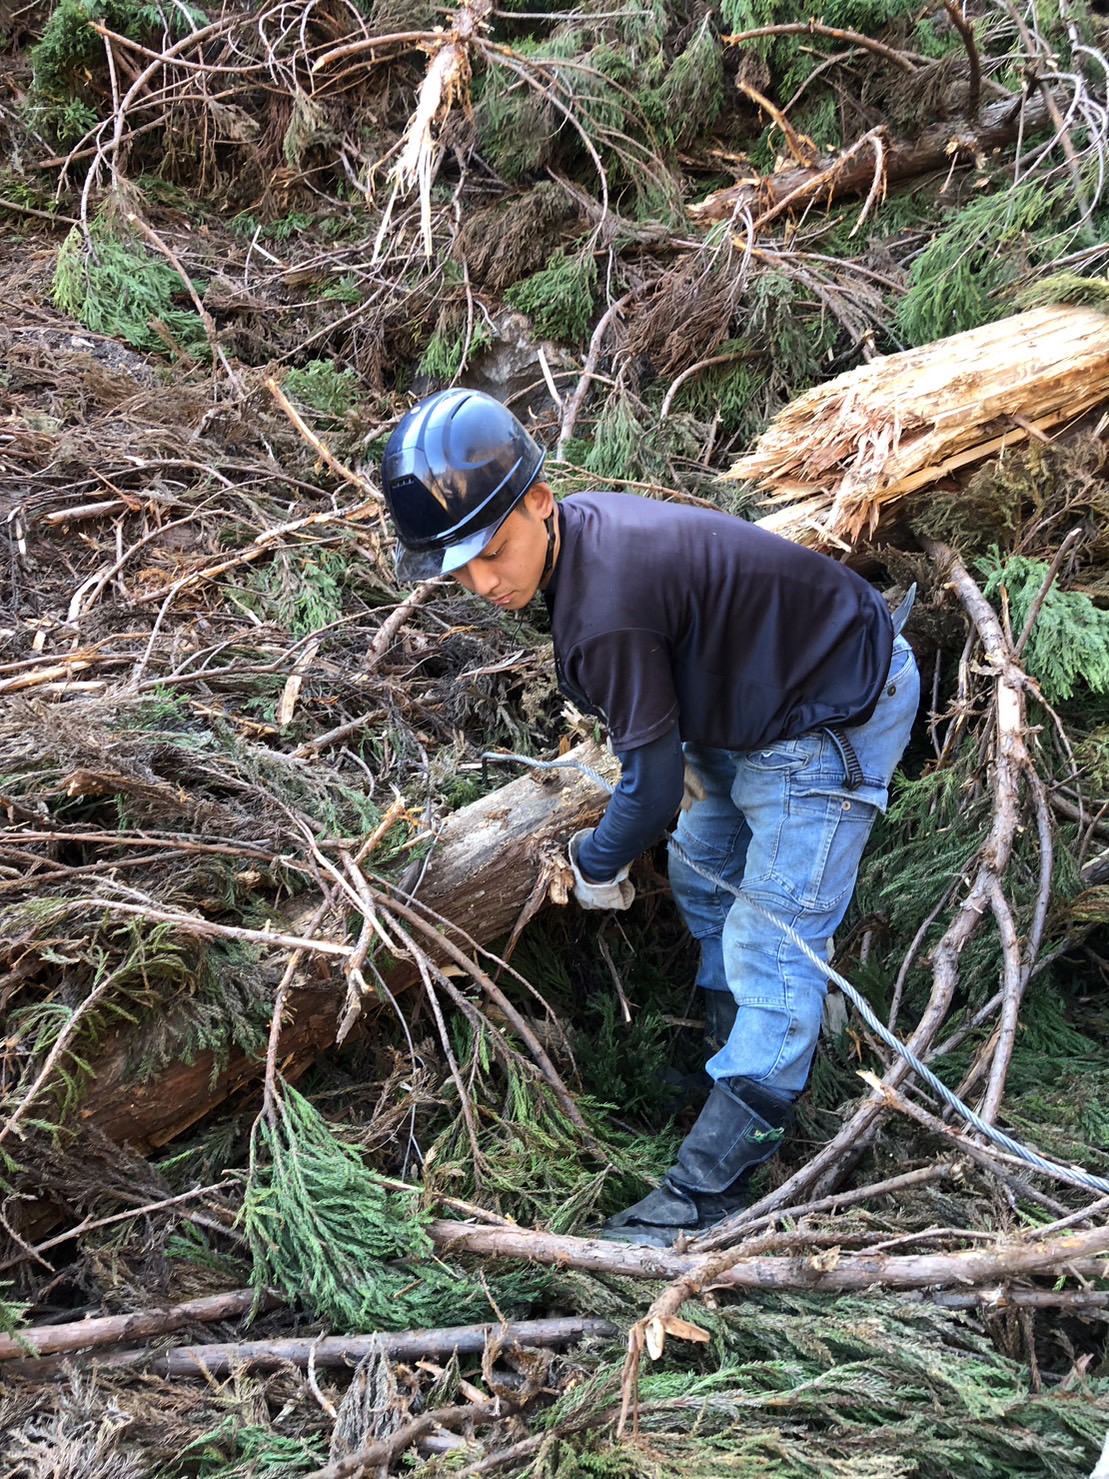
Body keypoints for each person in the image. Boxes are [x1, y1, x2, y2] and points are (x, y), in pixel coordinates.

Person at [381, 386, 919, 1248]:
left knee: (771, 938)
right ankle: (728, 1059)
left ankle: (716, 1185)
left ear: (538, 501)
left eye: (491, 550)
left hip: (829, 710)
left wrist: (595, 864)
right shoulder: (577, 549)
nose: (482, 582)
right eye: (457, 567)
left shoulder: (606, 607)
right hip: (744, 698)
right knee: (705, 878)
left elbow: (652, 785)